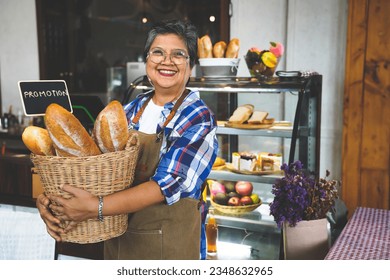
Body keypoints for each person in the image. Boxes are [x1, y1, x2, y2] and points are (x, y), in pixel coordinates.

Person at [36, 19, 218, 260]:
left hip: (168, 251)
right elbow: (91, 167)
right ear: (147, 61)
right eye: (158, 52)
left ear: (191, 65)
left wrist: (96, 207)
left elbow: (167, 184)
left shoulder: (198, 117)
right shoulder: (128, 111)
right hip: (119, 244)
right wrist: (49, 201)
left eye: (179, 54)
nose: (167, 61)